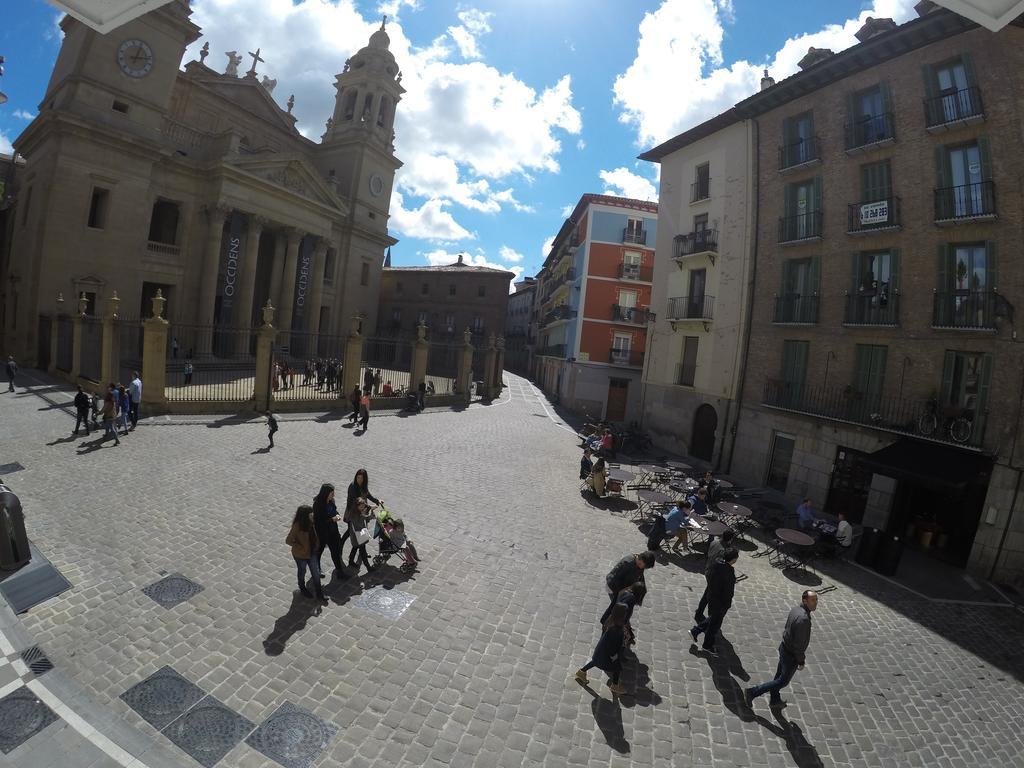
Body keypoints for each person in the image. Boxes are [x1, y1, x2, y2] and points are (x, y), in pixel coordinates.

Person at [745, 591, 819, 709]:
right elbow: (799, 645)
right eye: (813, 600)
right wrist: (801, 661)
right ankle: (753, 692)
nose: (816, 603)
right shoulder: (804, 619)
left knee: (779, 675)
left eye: (816, 600)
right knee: (782, 681)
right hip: (791, 655)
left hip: (784, 648)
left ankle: (774, 699)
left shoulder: (796, 609)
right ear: (805, 601)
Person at [690, 547, 739, 655]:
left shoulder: (716, 564)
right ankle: (707, 645)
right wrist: (727, 604)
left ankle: (696, 631)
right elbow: (728, 591)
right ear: (734, 559)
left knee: (713, 619)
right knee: (714, 624)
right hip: (720, 601)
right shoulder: (729, 573)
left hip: (711, 596)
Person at [575, 603, 628, 695]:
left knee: (595, 661)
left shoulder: (609, 622)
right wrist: (615, 656)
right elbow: (614, 647)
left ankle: (581, 672)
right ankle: (615, 685)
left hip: (599, 652)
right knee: (617, 668)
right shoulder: (618, 631)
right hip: (607, 657)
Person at [600, 551, 655, 625]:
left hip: (624, 588)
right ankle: (608, 623)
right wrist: (624, 591)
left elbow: (640, 575)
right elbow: (614, 579)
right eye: (642, 565)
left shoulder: (639, 564)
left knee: (619, 607)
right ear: (640, 559)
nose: (642, 568)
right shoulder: (627, 563)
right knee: (617, 607)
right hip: (614, 587)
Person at [286, 505, 327, 602]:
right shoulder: (297, 526)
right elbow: (288, 540)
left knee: (316, 573)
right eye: (310, 513)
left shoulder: (311, 521)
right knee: (302, 571)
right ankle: (302, 588)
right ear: (305, 515)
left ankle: (319, 593)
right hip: (301, 555)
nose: (312, 514)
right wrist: (300, 547)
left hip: (312, 552)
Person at [694, 529, 736, 623]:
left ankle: (700, 612)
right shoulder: (723, 551)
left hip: (708, 568)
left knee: (707, 593)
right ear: (730, 539)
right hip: (714, 573)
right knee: (708, 595)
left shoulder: (714, 542)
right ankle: (702, 614)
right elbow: (721, 564)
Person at [344, 468, 380, 572]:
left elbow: (366, 515)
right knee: (361, 546)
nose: (359, 480)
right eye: (358, 477)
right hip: (358, 528)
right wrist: (369, 508)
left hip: (360, 528)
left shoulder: (361, 510)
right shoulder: (353, 488)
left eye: (361, 478)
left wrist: (373, 508)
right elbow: (357, 505)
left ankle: (351, 560)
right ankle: (368, 567)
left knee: (357, 545)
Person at [312, 483, 345, 580]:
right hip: (322, 533)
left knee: (335, 552)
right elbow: (319, 521)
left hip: (333, 531)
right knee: (319, 551)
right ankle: (317, 569)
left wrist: (337, 515)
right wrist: (332, 519)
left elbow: (335, 511)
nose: (333, 495)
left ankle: (340, 571)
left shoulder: (331, 501)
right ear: (325, 493)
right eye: (332, 493)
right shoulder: (318, 504)